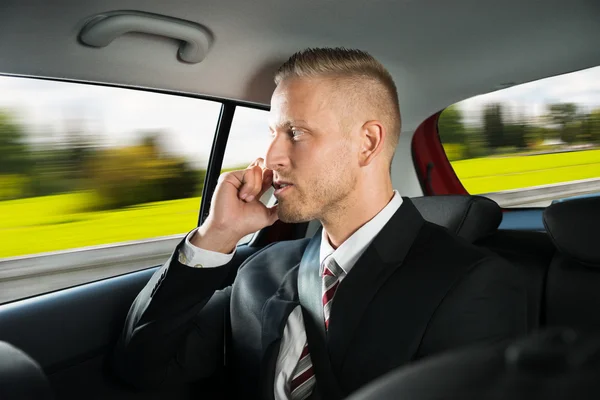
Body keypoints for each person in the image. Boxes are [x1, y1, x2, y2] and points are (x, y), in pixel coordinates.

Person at [112, 48, 527, 400]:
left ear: (367, 143)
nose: (271, 156)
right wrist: (216, 235)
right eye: (273, 132)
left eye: (295, 132)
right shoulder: (261, 272)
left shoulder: (471, 285)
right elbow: (145, 369)